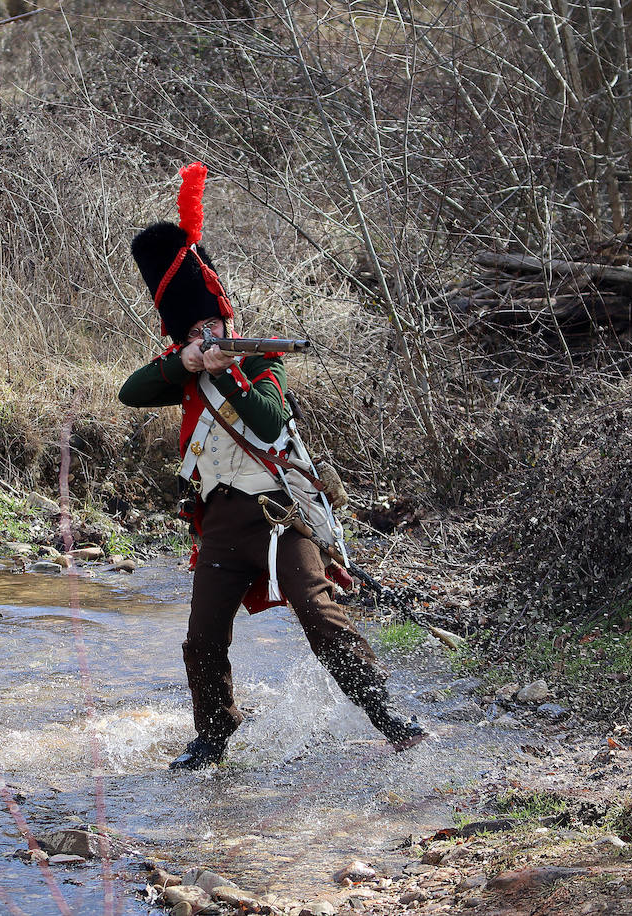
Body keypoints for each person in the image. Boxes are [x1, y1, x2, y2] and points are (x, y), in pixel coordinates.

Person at [118, 163, 428, 770]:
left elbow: (266, 423)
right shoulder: (182, 374)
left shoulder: (261, 365)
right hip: (221, 525)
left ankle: (386, 716)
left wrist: (225, 371)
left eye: (217, 325)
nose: (213, 332)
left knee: (321, 616)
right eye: (200, 329)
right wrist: (185, 363)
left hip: (278, 516)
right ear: (186, 333)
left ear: (229, 321)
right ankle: (214, 733)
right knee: (202, 641)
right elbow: (131, 392)